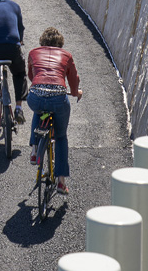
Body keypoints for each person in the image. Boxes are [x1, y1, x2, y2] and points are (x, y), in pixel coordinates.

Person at [26, 27, 83, 195]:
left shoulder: (33, 53)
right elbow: (74, 80)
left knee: (39, 112)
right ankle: (61, 182)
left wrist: (40, 86)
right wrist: (75, 92)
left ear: (42, 41)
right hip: (58, 99)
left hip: (36, 97)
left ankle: (35, 150)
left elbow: (31, 74)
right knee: (60, 137)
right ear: (60, 43)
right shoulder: (66, 55)